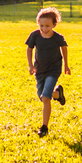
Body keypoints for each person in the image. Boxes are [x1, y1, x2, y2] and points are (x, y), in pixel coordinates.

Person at [26, 7, 70, 137]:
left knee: (45, 98)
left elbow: (64, 48)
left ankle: (44, 127)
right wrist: (30, 65)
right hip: (39, 70)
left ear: (54, 24)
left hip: (53, 69)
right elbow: (29, 49)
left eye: (47, 26)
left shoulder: (58, 38)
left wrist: (66, 65)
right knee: (43, 96)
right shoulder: (34, 35)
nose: (44, 29)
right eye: (41, 26)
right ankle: (57, 94)